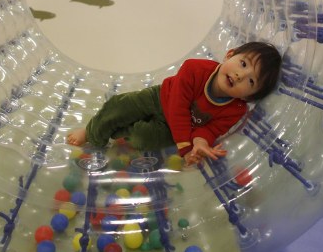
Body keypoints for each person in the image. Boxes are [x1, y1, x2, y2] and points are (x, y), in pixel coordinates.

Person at [67, 41, 282, 166]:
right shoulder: (195, 69)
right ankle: (92, 133)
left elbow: (210, 129)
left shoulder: (236, 109)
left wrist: (201, 142)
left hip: (177, 130)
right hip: (161, 99)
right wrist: (186, 147)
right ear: (230, 54)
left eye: (251, 80)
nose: (239, 74)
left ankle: (121, 132)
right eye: (242, 63)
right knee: (119, 106)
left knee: (143, 138)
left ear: (249, 97)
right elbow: (177, 108)